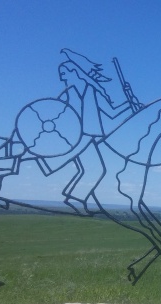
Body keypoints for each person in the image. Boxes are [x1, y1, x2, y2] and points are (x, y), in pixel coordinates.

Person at [38, 51, 132, 213]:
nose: (61, 78)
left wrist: (129, 103)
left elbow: (111, 113)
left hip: (89, 136)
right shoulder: (69, 93)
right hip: (80, 136)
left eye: (64, 73)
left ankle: (74, 198)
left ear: (74, 71)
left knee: (93, 169)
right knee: (90, 168)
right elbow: (61, 114)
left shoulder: (92, 91)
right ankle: (73, 197)